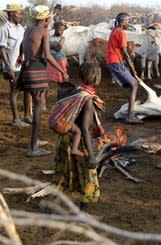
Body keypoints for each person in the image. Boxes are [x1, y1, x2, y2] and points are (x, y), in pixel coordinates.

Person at [52, 62, 104, 212]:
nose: (100, 77)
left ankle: (49, 204)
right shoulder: (88, 100)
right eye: (99, 74)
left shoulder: (77, 91)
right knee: (89, 178)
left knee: (62, 175)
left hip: (65, 139)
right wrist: (92, 155)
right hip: (79, 142)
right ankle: (82, 213)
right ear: (94, 77)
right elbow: (85, 129)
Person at [22, 5, 69, 157]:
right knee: (37, 109)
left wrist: (20, 56)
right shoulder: (43, 31)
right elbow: (48, 56)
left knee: (37, 105)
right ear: (46, 19)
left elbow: (24, 45)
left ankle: (35, 141)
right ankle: (33, 148)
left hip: (27, 67)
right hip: (37, 69)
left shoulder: (28, 29)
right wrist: (62, 70)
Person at [0, 3, 32, 128]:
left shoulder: (21, 27)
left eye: (21, 13)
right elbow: (2, 49)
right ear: (11, 13)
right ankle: (15, 119)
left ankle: (27, 116)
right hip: (12, 65)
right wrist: (7, 67)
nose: (20, 15)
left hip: (22, 64)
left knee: (27, 90)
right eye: (18, 13)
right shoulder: (4, 28)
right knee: (14, 91)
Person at [105, 12, 143, 124]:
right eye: (127, 21)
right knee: (134, 84)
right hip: (115, 61)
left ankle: (129, 112)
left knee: (132, 84)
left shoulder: (114, 30)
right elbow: (125, 53)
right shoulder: (121, 32)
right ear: (122, 21)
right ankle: (130, 116)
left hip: (113, 61)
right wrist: (132, 68)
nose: (129, 23)